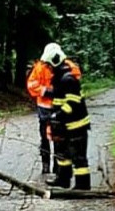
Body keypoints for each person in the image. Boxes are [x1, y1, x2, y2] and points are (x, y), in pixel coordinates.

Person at [39, 44, 91, 190]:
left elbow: (72, 103)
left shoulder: (68, 79)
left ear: (54, 62)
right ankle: (63, 179)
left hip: (76, 124)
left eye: (49, 65)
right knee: (62, 154)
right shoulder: (59, 78)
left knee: (78, 157)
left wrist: (58, 115)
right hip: (64, 124)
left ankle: (82, 185)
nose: (48, 68)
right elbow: (59, 95)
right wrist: (48, 93)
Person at [26, 43, 81, 174]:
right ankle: (45, 165)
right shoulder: (40, 67)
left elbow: (76, 78)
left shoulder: (69, 66)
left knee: (59, 137)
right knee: (44, 136)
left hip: (60, 106)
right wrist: (46, 91)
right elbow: (32, 84)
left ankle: (58, 165)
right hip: (44, 107)